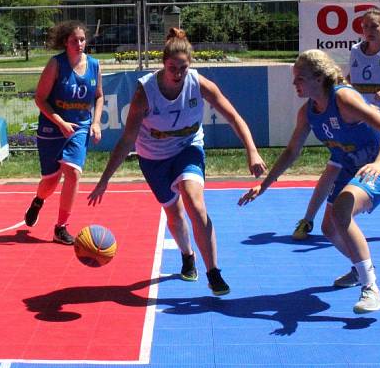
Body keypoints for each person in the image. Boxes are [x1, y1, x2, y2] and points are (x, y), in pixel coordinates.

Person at [88, 28, 267, 296]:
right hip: (153, 157)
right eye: (172, 67)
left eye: (183, 67)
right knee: (174, 212)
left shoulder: (199, 84)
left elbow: (234, 117)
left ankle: (214, 272)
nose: (178, 73)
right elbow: (127, 140)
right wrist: (104, 180)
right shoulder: (145, 91)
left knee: (195, 203)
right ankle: (187, 256)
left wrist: (251, 150)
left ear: (190, 65)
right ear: (163, 64)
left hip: (187, 149)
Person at [239, 49, 380, 313]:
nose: (294, 84)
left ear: (318, 78)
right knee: (329, 229)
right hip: (350, 167)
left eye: (299, 78)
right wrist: (264, 184)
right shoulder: (308, 113)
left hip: (379, 166)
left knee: (341, 211)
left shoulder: (345, 99)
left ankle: (371, 287)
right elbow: (292, 152)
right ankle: (360, 268)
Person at [291, 8, 380, 241]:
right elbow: (350, 79)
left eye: (374, 26)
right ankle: (308, 219)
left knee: (378, 171)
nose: (368, 31)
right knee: (334, 168)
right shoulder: (356, 51)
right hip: (355, 120)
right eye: (364, 26)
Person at [24, 20, 104, 245]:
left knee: (73, 172)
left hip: (79, 127)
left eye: (82, 39)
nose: (79, 44)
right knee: (50, 181)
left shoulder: (95, 65)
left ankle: (61, 227)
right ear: (65, 43)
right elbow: (39, 98)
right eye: (74, 40)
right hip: (52, 127)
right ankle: (39, 200)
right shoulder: (56, 65)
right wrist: (59, 121)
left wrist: (96, 123)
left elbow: (98, 96)